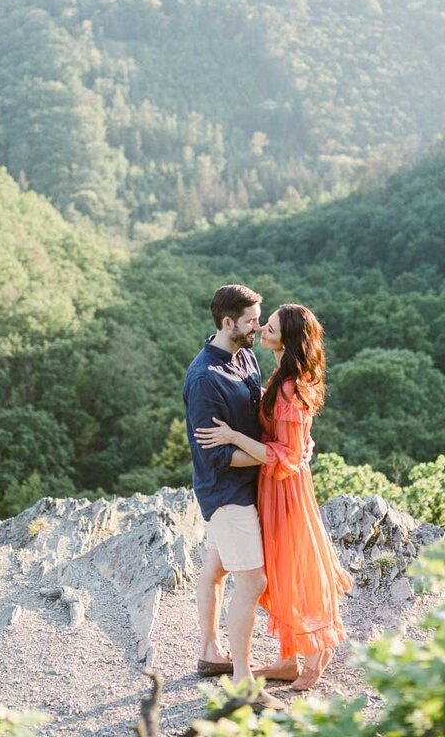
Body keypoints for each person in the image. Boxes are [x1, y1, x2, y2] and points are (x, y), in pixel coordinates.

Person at [196, 304, 350, 691]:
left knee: (296, 567)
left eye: (271, 325)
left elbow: (284, 455)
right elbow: (287, 438)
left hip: (285, 487)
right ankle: (286, 659)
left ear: (288, 338)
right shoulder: (278, 373)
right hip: (270, 485)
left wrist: (232, 437)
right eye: (262, 321)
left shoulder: (288, 385)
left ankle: (315, 659)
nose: (262, 327)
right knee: (279, 570)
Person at [183, 284, 285, 710]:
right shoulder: (205, 379)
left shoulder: (243, 355)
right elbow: (218, 454)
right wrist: (272, 458)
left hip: (244, 488)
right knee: (253, 581)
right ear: (228, 323)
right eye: (250, 321)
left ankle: (210, 652)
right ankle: (243, 685)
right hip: (226, 493)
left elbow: (255, 408)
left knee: (217, 566)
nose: (257, 327)